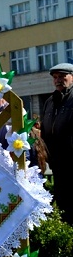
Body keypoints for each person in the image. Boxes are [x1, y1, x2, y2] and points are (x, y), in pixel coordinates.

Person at [40, 62, 73, 224]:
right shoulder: (49, 101)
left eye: (62, 76)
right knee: (62, 202)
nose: (58, 80)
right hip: (56, 162)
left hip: (72, 161)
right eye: (55, 77)